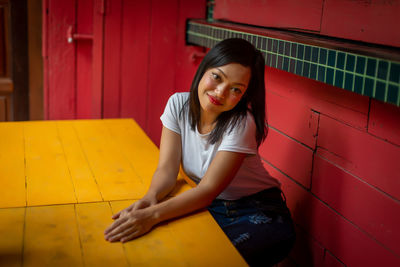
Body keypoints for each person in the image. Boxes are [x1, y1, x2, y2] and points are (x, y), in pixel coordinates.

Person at [104, 38, 295, 266]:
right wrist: (150, 199)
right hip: (212, 206)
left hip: (256, 213)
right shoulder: (178, 104)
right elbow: (167, 169)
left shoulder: (242, 123)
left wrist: (151, 216)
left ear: (244, 96)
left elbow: (207, 190)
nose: (221, 92)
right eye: (217, 77)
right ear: (204, 68)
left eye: (236, 89)